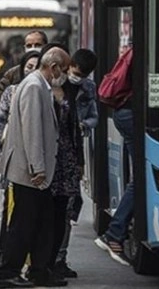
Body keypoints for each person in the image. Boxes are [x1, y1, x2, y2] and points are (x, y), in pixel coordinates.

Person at [0, 48, 71, 288]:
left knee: (42, 222)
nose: (65, 75)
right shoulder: (33, 87)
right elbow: (32, 130)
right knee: (23, 223)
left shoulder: (40, 86)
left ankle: (39, 270)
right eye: (64, 69)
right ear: (54, 67)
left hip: (35, 170)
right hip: (29, 170)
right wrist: (37, 167)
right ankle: (9, 272)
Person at [0, 50, 40, 264]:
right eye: (29, 67)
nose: (32, 71)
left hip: (41, 164)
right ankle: (6, 258)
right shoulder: (11, 92)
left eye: (37, 67)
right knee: (12, 210)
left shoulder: (51, 92)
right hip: (14, 160)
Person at [52, 49, 98, 277]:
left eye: (83, 74)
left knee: (67, 212)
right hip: (53, 155)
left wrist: (83, 126)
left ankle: (60, 259)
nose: (76, 77)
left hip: (73, 155)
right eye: (75, 71)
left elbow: (93, 117)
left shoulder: (88, 89)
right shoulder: (52, 86)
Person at [95, 50, 134, 266]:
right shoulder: (148, 50)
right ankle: (114, 233)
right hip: (130, 114)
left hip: (124, 113)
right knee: (143, 177)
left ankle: (115, 232)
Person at [0, 30, 49, 113]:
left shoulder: (53, 71)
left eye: (38, 45)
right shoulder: (12, 74)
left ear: (45, 46)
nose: (33, 48)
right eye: (29, 46)